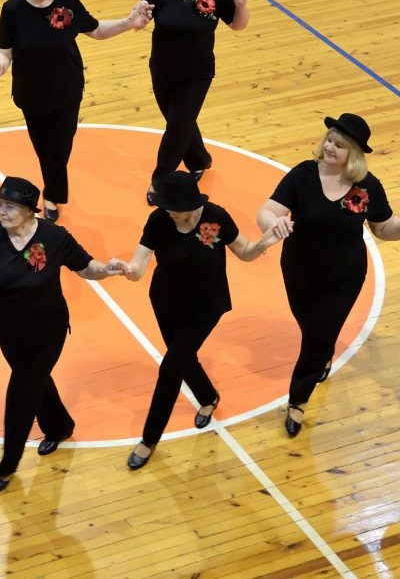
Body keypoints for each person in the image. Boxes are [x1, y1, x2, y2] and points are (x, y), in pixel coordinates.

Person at [256, 114, 400, 436]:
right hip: (298, 269)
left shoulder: (368, 186)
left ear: (353, 153)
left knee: (316, 337)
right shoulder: (303, 175)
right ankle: (323, 353)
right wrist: (273, 222)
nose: (330, 147)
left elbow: (384, 227)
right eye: (329, 140)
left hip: (344, 277)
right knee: (310, 326)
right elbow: (267, 210)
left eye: (339, 145)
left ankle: (297, 401)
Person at [0, 176, 128, 492]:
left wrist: (108, 269)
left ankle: (8, 465)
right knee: (37, 381)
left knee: (21, 392)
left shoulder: (54, 236)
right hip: (9, 331)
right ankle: (59, 426)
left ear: (29, 210)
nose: (1, 211)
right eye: (0, 204)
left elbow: (86, 267)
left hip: (48, 330)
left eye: (9, 206)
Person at [119, 171, 287, 469]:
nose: (166, 210)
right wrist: (129, 271)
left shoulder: (216, 216)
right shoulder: (159, 220)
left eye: (171, 205)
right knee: (184, 358)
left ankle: (148, 439)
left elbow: (245, 252)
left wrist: (264, 242)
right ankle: (208, 397)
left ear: (189, 203)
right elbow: (140, 264)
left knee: (171, 367)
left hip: (206, 305)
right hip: (165, 301)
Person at [0, 0, 152, 221]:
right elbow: (5, 49)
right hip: (31, 90)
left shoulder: (68, 1)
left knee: (59, 146)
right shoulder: (13, 8)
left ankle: (51, 194)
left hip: (67, 87)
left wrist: (129, 22)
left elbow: (96, 30)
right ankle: (52, 191)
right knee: (43, 148)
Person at [141, 0, 250, 204]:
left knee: (177, 127)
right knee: (179, 121)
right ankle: (199, 159)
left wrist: (241, 5)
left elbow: (237, 25)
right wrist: (139, 15)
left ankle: (160, 181)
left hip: (197, 74)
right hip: (162, 69)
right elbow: (140, 20)